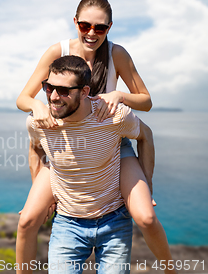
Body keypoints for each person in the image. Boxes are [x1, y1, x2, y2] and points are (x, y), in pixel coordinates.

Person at [15, 0, 175, 273]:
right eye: (85, 25)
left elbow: (146, 102)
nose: (91, 32)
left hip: (111, 139)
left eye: (100, 27)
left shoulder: (116, 54)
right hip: (65, 141)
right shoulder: (59, 52)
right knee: (29, 219)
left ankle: (171, 268)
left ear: (109, 27)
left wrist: (120, 95)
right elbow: (23, 98)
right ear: (75, 21)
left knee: (145, 216)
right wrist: (38, 105)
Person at [25, 55, 151, 273]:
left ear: (84, 92)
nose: (54, 97)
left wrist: (147, 184)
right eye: (48, 88)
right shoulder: (39, 121)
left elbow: (145, 135)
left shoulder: (114, 117)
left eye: (64, 91)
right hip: (67, 224)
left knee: (148, 219)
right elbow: (35, 148)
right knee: (26, 221)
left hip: (114, 221)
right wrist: (42, 191)